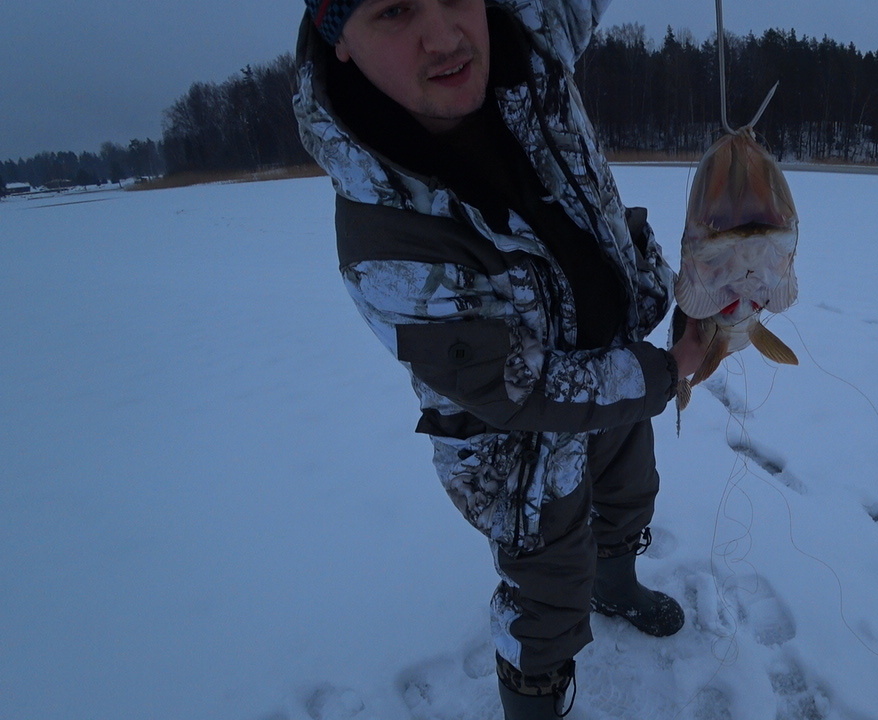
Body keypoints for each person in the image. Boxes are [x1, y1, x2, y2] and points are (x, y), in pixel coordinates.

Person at [294, 1, 710, 717]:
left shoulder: (528, 32)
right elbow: (515, 389)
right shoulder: (382, 234)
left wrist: (641, 370)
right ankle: (533, 699)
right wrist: (665, 373)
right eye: (394, 10)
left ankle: (615, 581)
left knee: (629, 493)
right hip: (512, 446)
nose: (445, 35)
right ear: (341, 42)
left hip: (610, 373)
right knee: (546, 587)